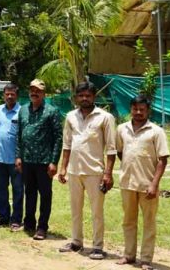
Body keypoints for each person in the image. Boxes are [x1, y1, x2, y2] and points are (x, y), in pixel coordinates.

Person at [58, 81, 117, 260]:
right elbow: (67, 144)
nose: (84, 98)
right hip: (74, 171)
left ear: (94, 97)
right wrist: (63, 167)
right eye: (81, 95)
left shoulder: (105, 117)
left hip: (95, 172)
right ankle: (76, 242)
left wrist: (108, 174)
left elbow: (111, 149)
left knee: (96, 211)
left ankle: (97, 247)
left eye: (88, 95)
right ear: (76, 97)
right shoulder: (70, 116)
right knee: (75, 209)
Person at [116, 96, 170, 270]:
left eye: (142, 109)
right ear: (130, 109)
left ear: (148, 111)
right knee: (128, 221)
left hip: (148, 185)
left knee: (149, 223)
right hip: (127, 183)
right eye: (135, 109)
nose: (138, 112)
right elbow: (120, 152)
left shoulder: (156, 131)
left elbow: (163, 159)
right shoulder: (121, 129)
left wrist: (154, 184)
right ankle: (129, 255)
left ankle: (146, 259)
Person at [15, 79, 63, 241]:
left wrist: (54, 161)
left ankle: (42, 227)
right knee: (29, 193)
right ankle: (29, 223)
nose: (34, 93)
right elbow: (19, 135)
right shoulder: (23, 110)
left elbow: (58, 138)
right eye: (32, 90)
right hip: (27, 160)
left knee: (45, 195)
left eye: (38, 91)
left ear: (44, 93)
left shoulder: (51, 111)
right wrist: (18, 156)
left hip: (44, 161)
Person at [0, 83, 23, 230]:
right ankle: (3, 216)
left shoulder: (22, 111)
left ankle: (16, 219)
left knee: (18, 190)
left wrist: (20, 156)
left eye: (12, 94)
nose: (10, 96)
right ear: (3, 95)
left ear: (17, 96)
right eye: (7, 94)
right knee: (0, 189)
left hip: (16, 160)